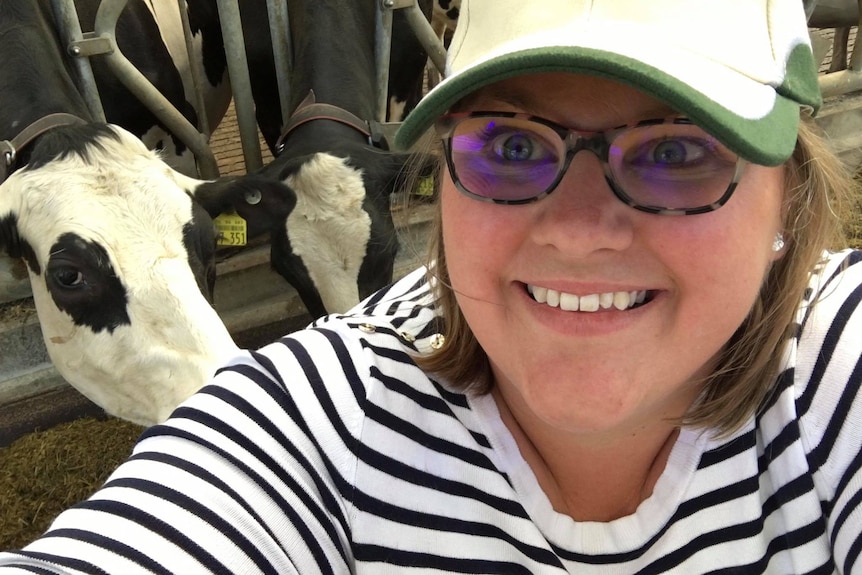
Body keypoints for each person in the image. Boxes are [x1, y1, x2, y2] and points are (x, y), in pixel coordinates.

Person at [2, 0, 861, 572]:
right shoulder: (312, 422)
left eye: (677, 152)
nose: (575, 230)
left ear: (789, 187)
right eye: (511, 147)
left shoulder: (838, 365)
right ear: (441, 182)